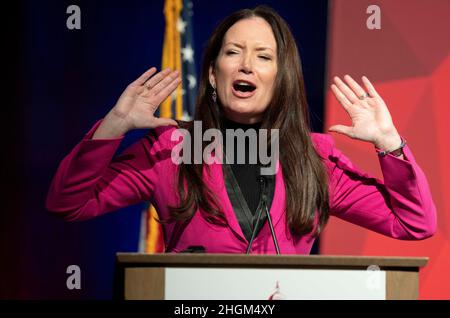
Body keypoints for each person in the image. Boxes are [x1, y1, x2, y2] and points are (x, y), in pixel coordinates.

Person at [46, 5, 436, 254]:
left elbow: (414, 223)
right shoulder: (170, 149)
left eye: (263, 56)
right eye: (233, 52)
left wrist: (390, 144)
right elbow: (68, 203)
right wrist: (113, 127)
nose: (246, 65)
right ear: (213, 75)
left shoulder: (316, 157)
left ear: (281, 77)